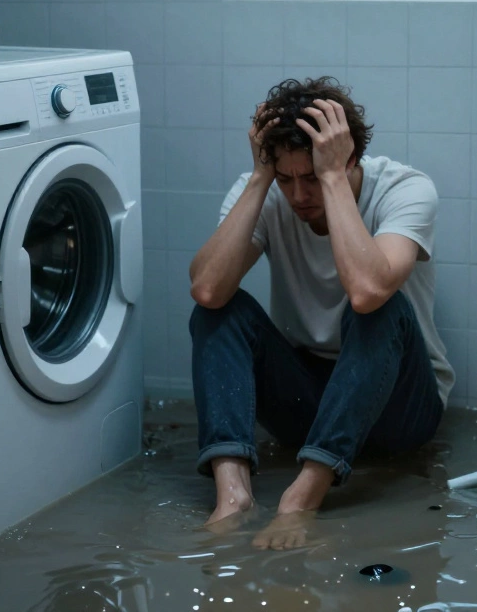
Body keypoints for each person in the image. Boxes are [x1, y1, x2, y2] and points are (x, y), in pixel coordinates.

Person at [186, 76, 453, 549]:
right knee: (217, 310)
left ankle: (301, 498)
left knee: (378, 306)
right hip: (307, 400)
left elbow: (367, 291)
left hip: (399, 406)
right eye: (285, 179)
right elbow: (206, 289)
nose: (298, 196)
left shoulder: (406, 189)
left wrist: (333, 181)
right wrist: (260, 178)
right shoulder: (265, 191)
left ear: (348, 157)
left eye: (310, 178)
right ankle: (233, 495)